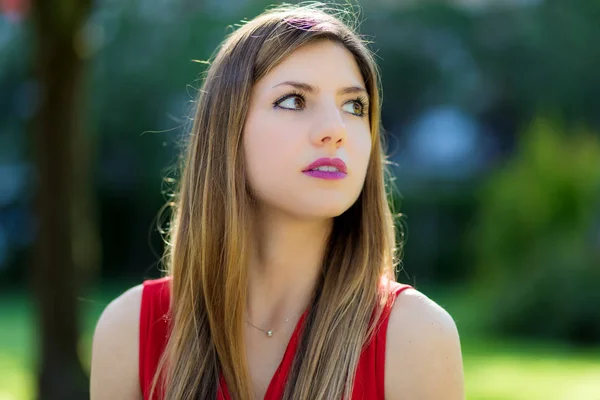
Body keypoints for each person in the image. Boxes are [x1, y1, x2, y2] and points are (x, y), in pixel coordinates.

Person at [90, 3, 465, 400]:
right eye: (293, 101)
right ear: (227, 131)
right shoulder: (131, 330)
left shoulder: (415, 338)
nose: (334, 130)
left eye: (354, 106)